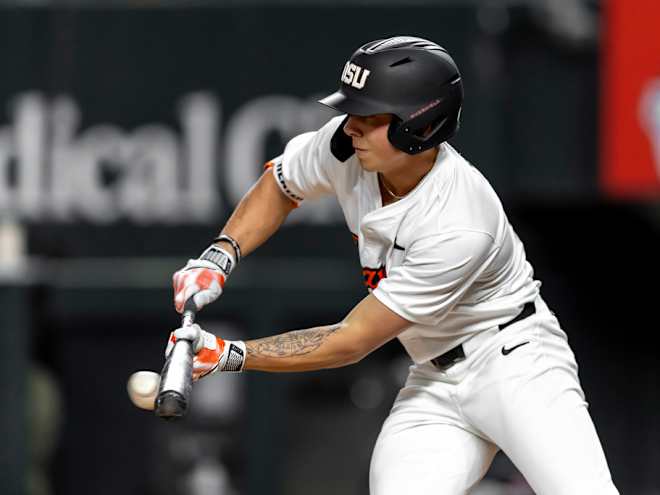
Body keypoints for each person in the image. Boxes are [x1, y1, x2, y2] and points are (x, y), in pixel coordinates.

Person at [168, 36, 619, 494]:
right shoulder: (345, 147)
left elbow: (351, 341)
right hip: (434, 378)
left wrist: (229, 354)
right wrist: (218, 257)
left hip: (515, 362)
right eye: (353, 112)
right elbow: (280, 185)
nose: (352, 127)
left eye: (371, 115)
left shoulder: (460, 221)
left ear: (419, 126)